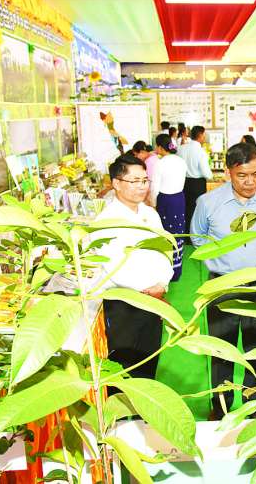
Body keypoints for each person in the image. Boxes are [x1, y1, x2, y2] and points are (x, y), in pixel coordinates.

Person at [191, 142, 256, 417]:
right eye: (242, 175)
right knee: (222, 348)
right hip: (223, 286)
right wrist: (222, 260)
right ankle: (220, 406)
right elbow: (198, 238)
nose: (250, 181)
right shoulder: (208, 202)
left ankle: (253, 406)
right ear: (228, 173)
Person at [91, 154, 173, 379]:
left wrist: (162, 284)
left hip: (154, 300)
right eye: (134, 181)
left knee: (149, 360)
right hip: (124, 305)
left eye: (145, 180)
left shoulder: (150, 214)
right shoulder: (105, 221)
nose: (142, 186)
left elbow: (164, 252)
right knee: (123, 368)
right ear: (116, 184)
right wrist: (149, 289)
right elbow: (115, 266)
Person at [150, 134, 187, 281]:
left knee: (165, 233)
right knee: (178, 231)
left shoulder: (160, 163)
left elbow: (154, 187)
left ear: (160, 147)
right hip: (179, 199)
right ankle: (177, 270)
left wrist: (153, 204)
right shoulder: (181, 161)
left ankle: (167, 269)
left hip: (165, 201)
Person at [178, 125, 213, 240]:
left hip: (184, 183)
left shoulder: (181, 148)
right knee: (198, 210)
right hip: (198, 184)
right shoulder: (200, 151)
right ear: (201, 135)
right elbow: (206, 173)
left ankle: (187, 237)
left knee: (187, 209)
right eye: (204, 134)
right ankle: (196, 236)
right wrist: (211, 176)